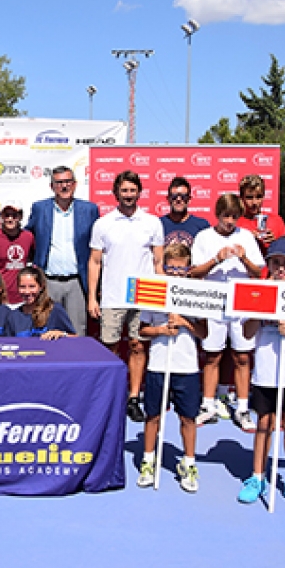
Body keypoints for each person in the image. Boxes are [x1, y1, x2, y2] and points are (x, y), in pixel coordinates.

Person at [237, 237, 285, 511]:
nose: (280, 268)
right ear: (268, 265)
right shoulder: (259, 291)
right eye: (275, 263)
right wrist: (258, 313)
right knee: (263, 424)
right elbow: (247, 333)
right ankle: (257, 477)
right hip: (266, 372)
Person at [88, 170, 164, 423]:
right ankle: (111, 396)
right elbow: (95, 262)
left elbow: (158, 262)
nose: (128, 195)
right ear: (116, 193)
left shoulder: (152, 223)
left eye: (133, 190)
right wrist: (92, 297)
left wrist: (162, 297)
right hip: (112, 296)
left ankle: (133, 398)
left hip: (144, 297)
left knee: (138, 345)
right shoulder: (103, 224)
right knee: (109, 348)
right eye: (124, 190)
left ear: (139, 193)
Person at [137, 243, 207, 493]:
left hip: (186, 368)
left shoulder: (196, 295)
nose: (176, 272)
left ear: (188, 268)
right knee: (153, 416)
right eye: (171, 268)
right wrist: (161, 330)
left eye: (181, 268)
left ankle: (189, 463)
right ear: (164, 267)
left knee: (188, 418)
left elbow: (204, 332)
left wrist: (184, 322)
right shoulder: (153, 293)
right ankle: (148, 460)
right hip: (158, 365)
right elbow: (142, 330)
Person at [190, 194, 264, 431]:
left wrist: (242, 257)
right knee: (212, 356)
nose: (230, 221)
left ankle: (242, 408)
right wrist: (216, 259)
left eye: (234, 217)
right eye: (226, 216)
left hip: (242, 304)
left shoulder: (246, 238)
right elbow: (195, 273)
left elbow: (257, 272)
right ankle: (207, 404)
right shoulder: (204, 237)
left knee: (242, 357)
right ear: (217, 215)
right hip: (213, 304)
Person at [25, 166, 99, 336]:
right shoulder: (40, 208)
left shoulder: (89, 210)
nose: (64, 186)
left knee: (77, 331)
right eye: (59, 183)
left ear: (74, 184)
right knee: (45, 328)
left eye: (68, 182)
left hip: (77, 282)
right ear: (52, 186)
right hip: (48, 281)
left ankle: (77, 362)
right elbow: (27, 237)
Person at [0, 203, 34, 308]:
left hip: (22, 297)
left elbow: (32, 257)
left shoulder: (28, 237)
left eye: (14, 215)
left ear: (20, 217)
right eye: (7, 215)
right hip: (0, 298)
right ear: (1, 217)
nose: (10, 219)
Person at [8, 266, 76, 340]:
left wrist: (62, 334)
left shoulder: (54, 310)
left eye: (32, 286)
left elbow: (75, 337)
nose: (27, 292)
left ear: (41, 286)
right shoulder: (13, 316)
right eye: (22, 287)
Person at [237, 174, 285, 255]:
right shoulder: (235, 223)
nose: (254, 202)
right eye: (249, 197)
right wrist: (247, 240)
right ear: (241, 198)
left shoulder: (276, 221)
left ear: (264, 196)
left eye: (258, 197)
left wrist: (275, 243)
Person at [160, 177, 209, 248]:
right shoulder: (158, 224)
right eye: (174, 196)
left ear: (189, 200)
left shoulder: (202, 226)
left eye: (183, 196)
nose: (179, 199)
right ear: (168, 199)